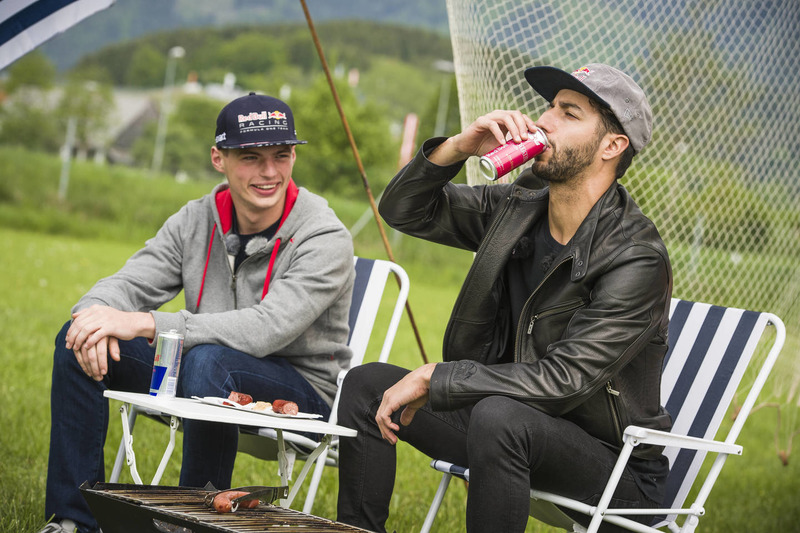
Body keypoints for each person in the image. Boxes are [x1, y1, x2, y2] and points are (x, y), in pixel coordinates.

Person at [336, 64, 673, 533]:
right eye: (549, 106)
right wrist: (459, 146)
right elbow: (403, 210)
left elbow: (564, 380)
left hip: (614, 469)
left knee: (499, 416)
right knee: (367, 384)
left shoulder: (635, 257)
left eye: (568, 113)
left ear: (611, 146)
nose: (544, 121)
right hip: (511, 422)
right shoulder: (519, 206)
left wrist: (440, 376)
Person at [40, 93, 355, 533]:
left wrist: (146, 322)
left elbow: (267, 329)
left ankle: (193, 525)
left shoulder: (324, 236)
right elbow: (130, 283)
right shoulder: (195, 220)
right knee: (75, 341)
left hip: (301, 390)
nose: (269, 172)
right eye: (250, 157)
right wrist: (92, 316)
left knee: (207, 360)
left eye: (282, 156)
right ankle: (74, 521)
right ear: (218, 158)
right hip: (203, 367)